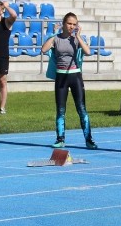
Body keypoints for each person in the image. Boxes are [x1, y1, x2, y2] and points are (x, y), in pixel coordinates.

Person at [40, 12, 98, 150]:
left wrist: (78, 36)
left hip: (75, 76)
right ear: (64, 24)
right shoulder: (56, 39)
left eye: (74, 24)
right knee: (60, 110)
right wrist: (53, 34)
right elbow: (43, 49)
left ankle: (89, 140)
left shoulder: (76, 39)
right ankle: (60, 139)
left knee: (82, 109)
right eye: (69, 23)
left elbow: (88, 52)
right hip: (61, 77)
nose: (72, 26)